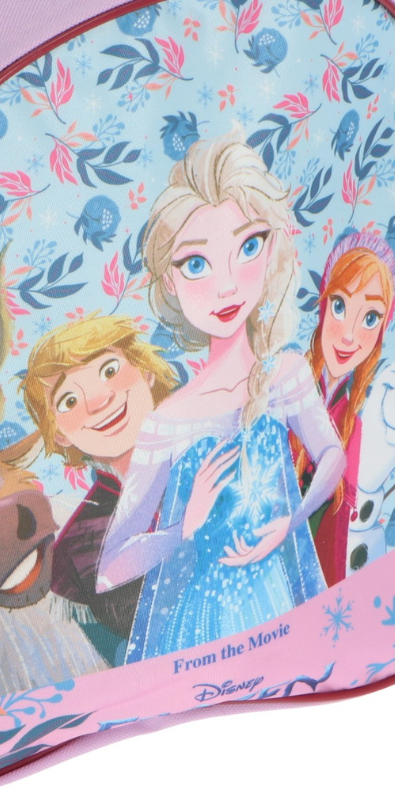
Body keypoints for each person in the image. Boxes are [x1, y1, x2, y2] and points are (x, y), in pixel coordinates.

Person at [95, 128, 345, 662]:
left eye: (247, 247)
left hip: (278, 600)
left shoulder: (286, 374)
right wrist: (181, 530)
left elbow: (332, 454)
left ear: (271, 247)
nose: (226, 286)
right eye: (196, 264)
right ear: (169, 281)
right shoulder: (169, 421)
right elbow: (109, 567)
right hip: (196, 629)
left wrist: (293, 520)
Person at [21, 313, 178, 665]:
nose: (98, 400)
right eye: (69, 401)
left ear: (147, 372)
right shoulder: (76, 550)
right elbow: (124, 655)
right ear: (60, 434)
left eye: (109, 370)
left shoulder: (216, 447)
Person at [296, 231, 395, 584]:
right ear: (323, 306)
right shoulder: (288, 387)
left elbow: (337, 540)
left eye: (370, 318)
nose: (350, 336)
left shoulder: (353, 430)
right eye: (340, 306)